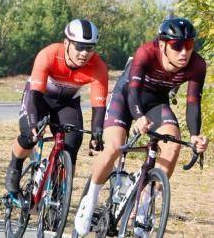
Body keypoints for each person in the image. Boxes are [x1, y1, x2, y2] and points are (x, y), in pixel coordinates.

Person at [74, 17, 208, 237]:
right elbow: (133, 90)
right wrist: (138, 116)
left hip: (156, 103)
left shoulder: (197, 64)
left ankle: (143, 206)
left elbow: (193, 102)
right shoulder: (146, 52)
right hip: (126, 97)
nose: (184, 52)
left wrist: (195, 135)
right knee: (115, 147)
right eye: (177, 46)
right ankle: (90, 201)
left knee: (173, 144)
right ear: (163, 44)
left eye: (189, 45)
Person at [4, 19, 108, 196]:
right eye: (79, 47)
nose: (84, 53)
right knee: (30, 135)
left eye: (90, 48)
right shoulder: (49, 54)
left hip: (67, 103)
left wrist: (96, 133)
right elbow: (35, 94)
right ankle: (16, 164)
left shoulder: (98, 66)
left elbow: (99, 104)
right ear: (66, 43)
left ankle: (58, 194)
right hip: (39, 97)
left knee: (72, 143)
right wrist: (33, 123)